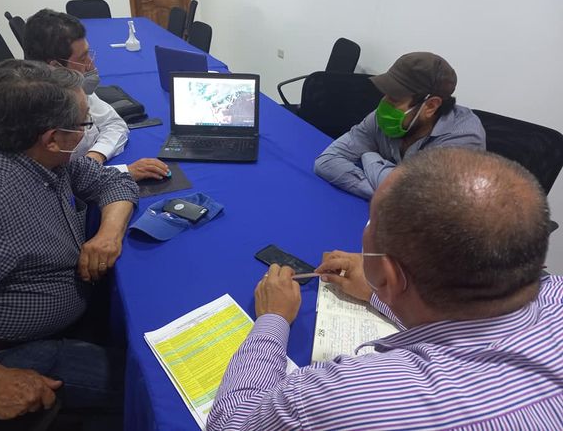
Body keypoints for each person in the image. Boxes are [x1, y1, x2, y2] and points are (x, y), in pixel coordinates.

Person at [208, 147, 562, 430]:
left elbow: (232, 424)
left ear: (389, 275)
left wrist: (272, 319)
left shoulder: (344, 398)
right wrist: (379, 291)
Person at [0, 59, 138, 422]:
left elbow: (114, 181)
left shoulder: (36, 152)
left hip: (68, 306)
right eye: (83, 124)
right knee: (149, 384)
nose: (86, 131)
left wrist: (108, 234)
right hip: (8, 349)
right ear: (53, 138)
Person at [24, 8, 170, 181]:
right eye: (83, 58)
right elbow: (63, 182)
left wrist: (95, 157)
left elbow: (115, 124)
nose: (91, 65)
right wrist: (126, 171)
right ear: (55, 67)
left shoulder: (72, 88)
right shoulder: (36, 118)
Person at [314, 52, 486, 199]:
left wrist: (369, 156)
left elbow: (419, 201)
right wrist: (382, 192)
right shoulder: (383, 117)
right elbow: (327, 161)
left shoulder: (462, 141)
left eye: (395, 98)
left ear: (430, 106)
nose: (384, 104)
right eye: (386, 94)